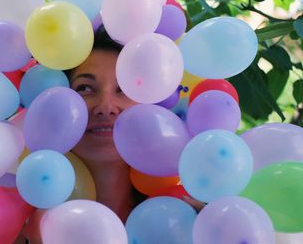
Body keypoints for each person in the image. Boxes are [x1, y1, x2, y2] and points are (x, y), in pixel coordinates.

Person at [21, 26, 204, 244]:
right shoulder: (20, 226)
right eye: (85, 88)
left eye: (124, 89)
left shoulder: (187, 221)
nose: (106, 107)